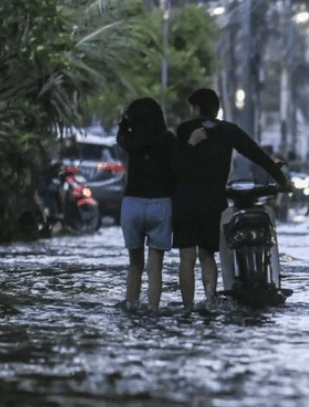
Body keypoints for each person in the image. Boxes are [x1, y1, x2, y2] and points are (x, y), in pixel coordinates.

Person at [172, 88, 292, 310]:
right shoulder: (229, 130)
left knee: (187, 258)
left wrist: (190, 145)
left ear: (196, 109)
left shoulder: (185, 129)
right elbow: (256, 154)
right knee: (207, 255)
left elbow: (176, 166)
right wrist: (282, 180)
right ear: (216, 109)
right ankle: (210, 301)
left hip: (185, 203)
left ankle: (187, 308)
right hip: (213, 203)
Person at [115, 97, 178, 311]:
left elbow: (120, 138)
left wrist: (124, 122)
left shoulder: (132, 139)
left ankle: (132, 303)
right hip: (160, 204)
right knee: (155, 267)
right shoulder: (168, 139)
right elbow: (176, 170)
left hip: (132, 203)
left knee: (135, 264)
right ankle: (153, 308)